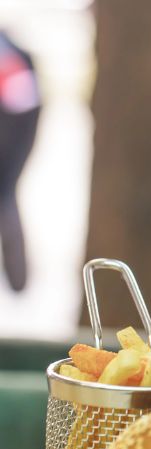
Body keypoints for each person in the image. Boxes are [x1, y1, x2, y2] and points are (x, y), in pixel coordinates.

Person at [0, 31, 40, 292]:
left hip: (10, 146)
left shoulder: (8, 53)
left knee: (6, 202)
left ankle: (18, 284)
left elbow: (22, 108)